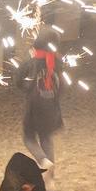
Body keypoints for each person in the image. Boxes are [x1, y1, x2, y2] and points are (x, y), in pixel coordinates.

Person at [16, 36, 65, 182]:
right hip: (51, 106)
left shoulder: (32, 61)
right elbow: (61, 85)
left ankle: (43, 161)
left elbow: (18, 79)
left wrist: (27, 89)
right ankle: (50, 182)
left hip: (34, 106)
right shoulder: (58, 61)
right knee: (46, 137)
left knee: (28, 137)